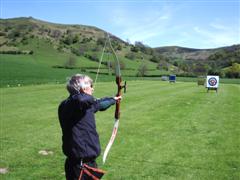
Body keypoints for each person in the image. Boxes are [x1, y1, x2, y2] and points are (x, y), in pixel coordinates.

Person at [58, 74, 121, 180]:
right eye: (90, 86)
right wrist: (86, 93)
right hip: (78, 166)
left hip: (89, 164)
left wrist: (113, 100)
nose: (93, 88)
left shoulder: (85, 106)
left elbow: (99, 104)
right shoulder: (68, 105)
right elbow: (81, 100)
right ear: (82, 88)